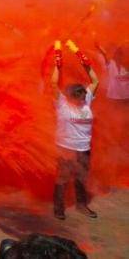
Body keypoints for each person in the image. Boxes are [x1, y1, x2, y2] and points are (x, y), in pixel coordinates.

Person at [50, 49, 99, 220]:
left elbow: (94, 80)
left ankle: (82, 205)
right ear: (70, 97)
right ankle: (58, 209)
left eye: (83, 97)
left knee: (81, 177)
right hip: (65, 148)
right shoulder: (62, 103)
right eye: (78, 98)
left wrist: (85, 62)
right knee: (62, 178)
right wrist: (57, 64)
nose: (82, 101)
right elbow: (53, 83)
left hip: (83, 148)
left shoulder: (86, 101)